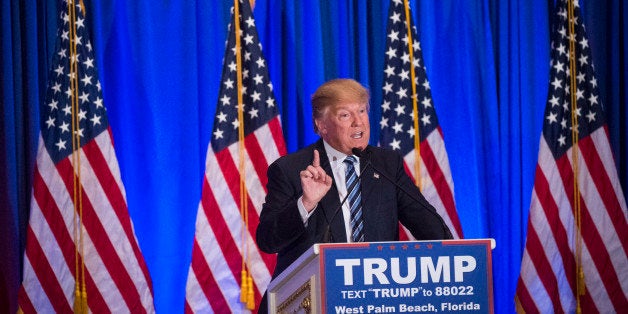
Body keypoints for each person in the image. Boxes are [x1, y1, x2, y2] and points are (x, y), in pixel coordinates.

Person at [255, 78, 452, 313]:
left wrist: (454, 259)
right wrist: (306, 203)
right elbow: (268, 240)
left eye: (361, 111)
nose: (359, 122)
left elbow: (430, 227)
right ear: (321, 125)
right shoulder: (291, 169)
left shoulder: (387, 165)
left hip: (375, 299)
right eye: (345, 115)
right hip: (310, 301)